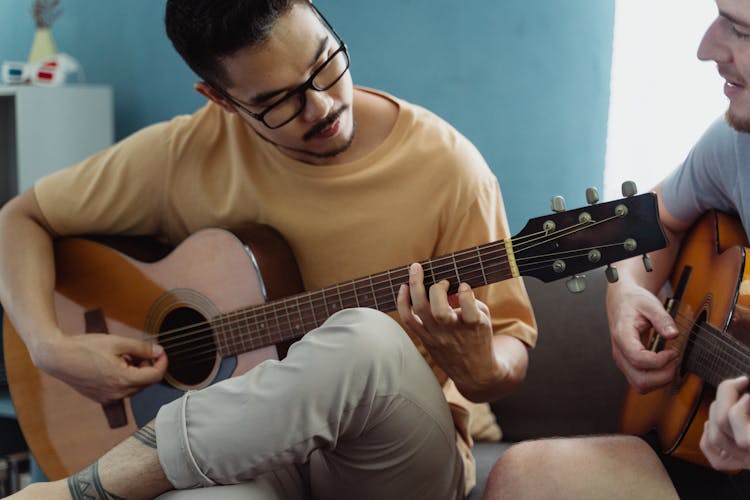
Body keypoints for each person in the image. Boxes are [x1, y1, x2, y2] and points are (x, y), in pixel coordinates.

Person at [0, 1, 537, 499]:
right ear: (221, 100)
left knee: (365, 337)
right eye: (276, 101)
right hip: (251, 456)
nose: (322, 106)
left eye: (325, 63)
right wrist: (49, 346)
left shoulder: (448, 169)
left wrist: (480, 363)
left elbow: (510, 344)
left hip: (389, 454)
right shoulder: (188, 153)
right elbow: (20, 217)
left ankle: (85, 492)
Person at [483, 1, 750, 499]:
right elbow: (656, 220)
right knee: (527, 478)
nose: (705, 48)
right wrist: (626, 290)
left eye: (740, 30)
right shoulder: (736, 143)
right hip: (714, 453)